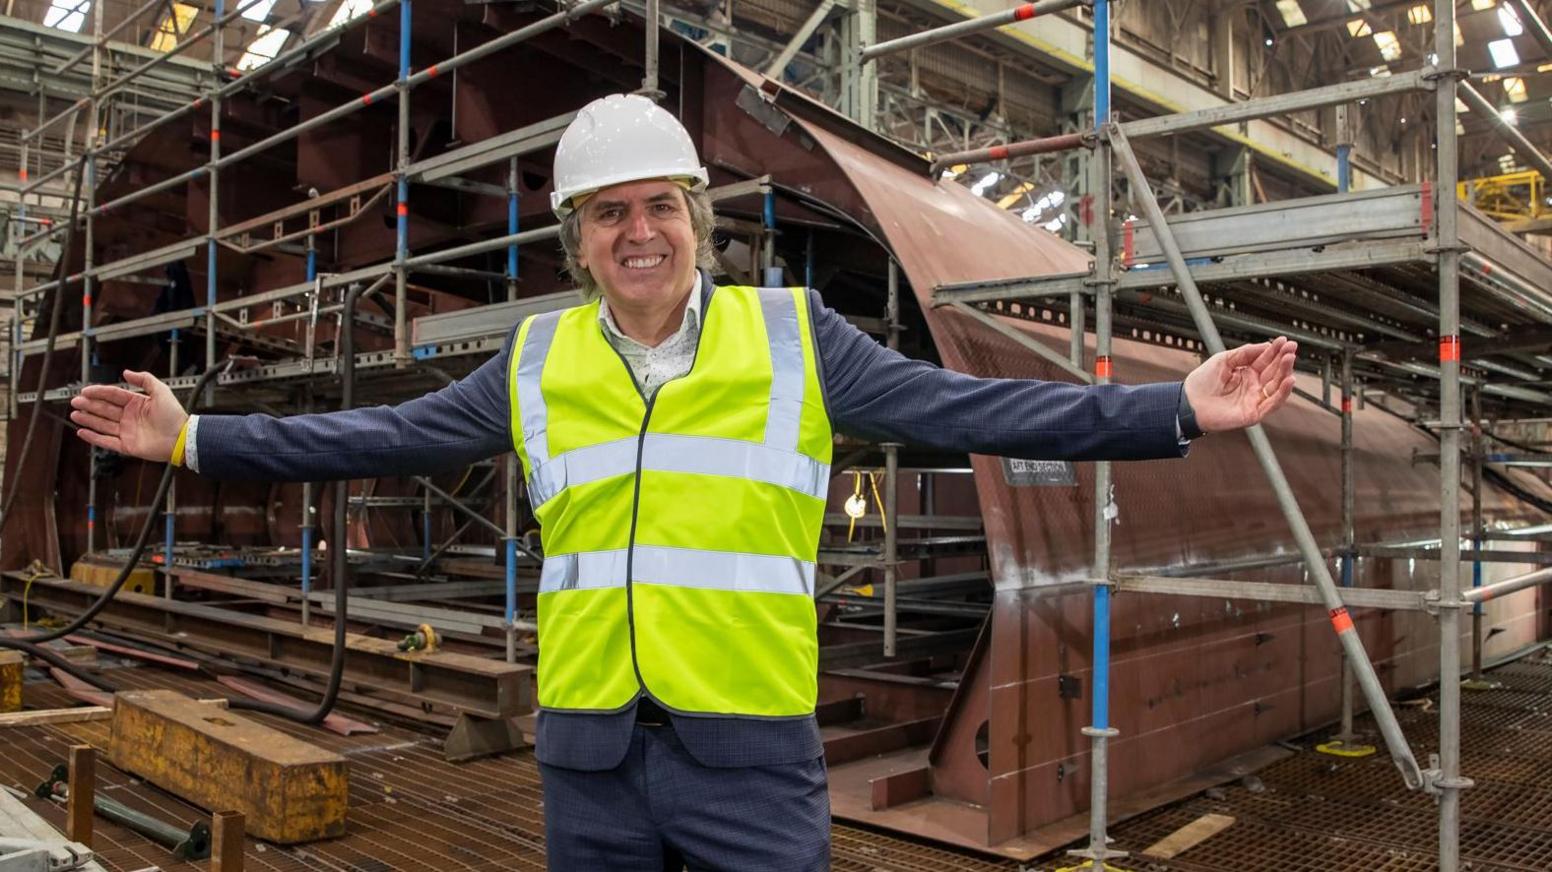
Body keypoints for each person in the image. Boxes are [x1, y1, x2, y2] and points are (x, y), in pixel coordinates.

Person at [69, 93, 1297, 870]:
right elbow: (370, 437)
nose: (636, 232)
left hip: (748, 759)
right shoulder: (537, 360)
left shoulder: (793, 339)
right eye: (607, 215)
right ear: (577, 238)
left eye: (659, 205)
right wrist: (194, 437)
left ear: (695, 218)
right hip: (589, 760)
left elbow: (977, 406)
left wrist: (1172, 404)